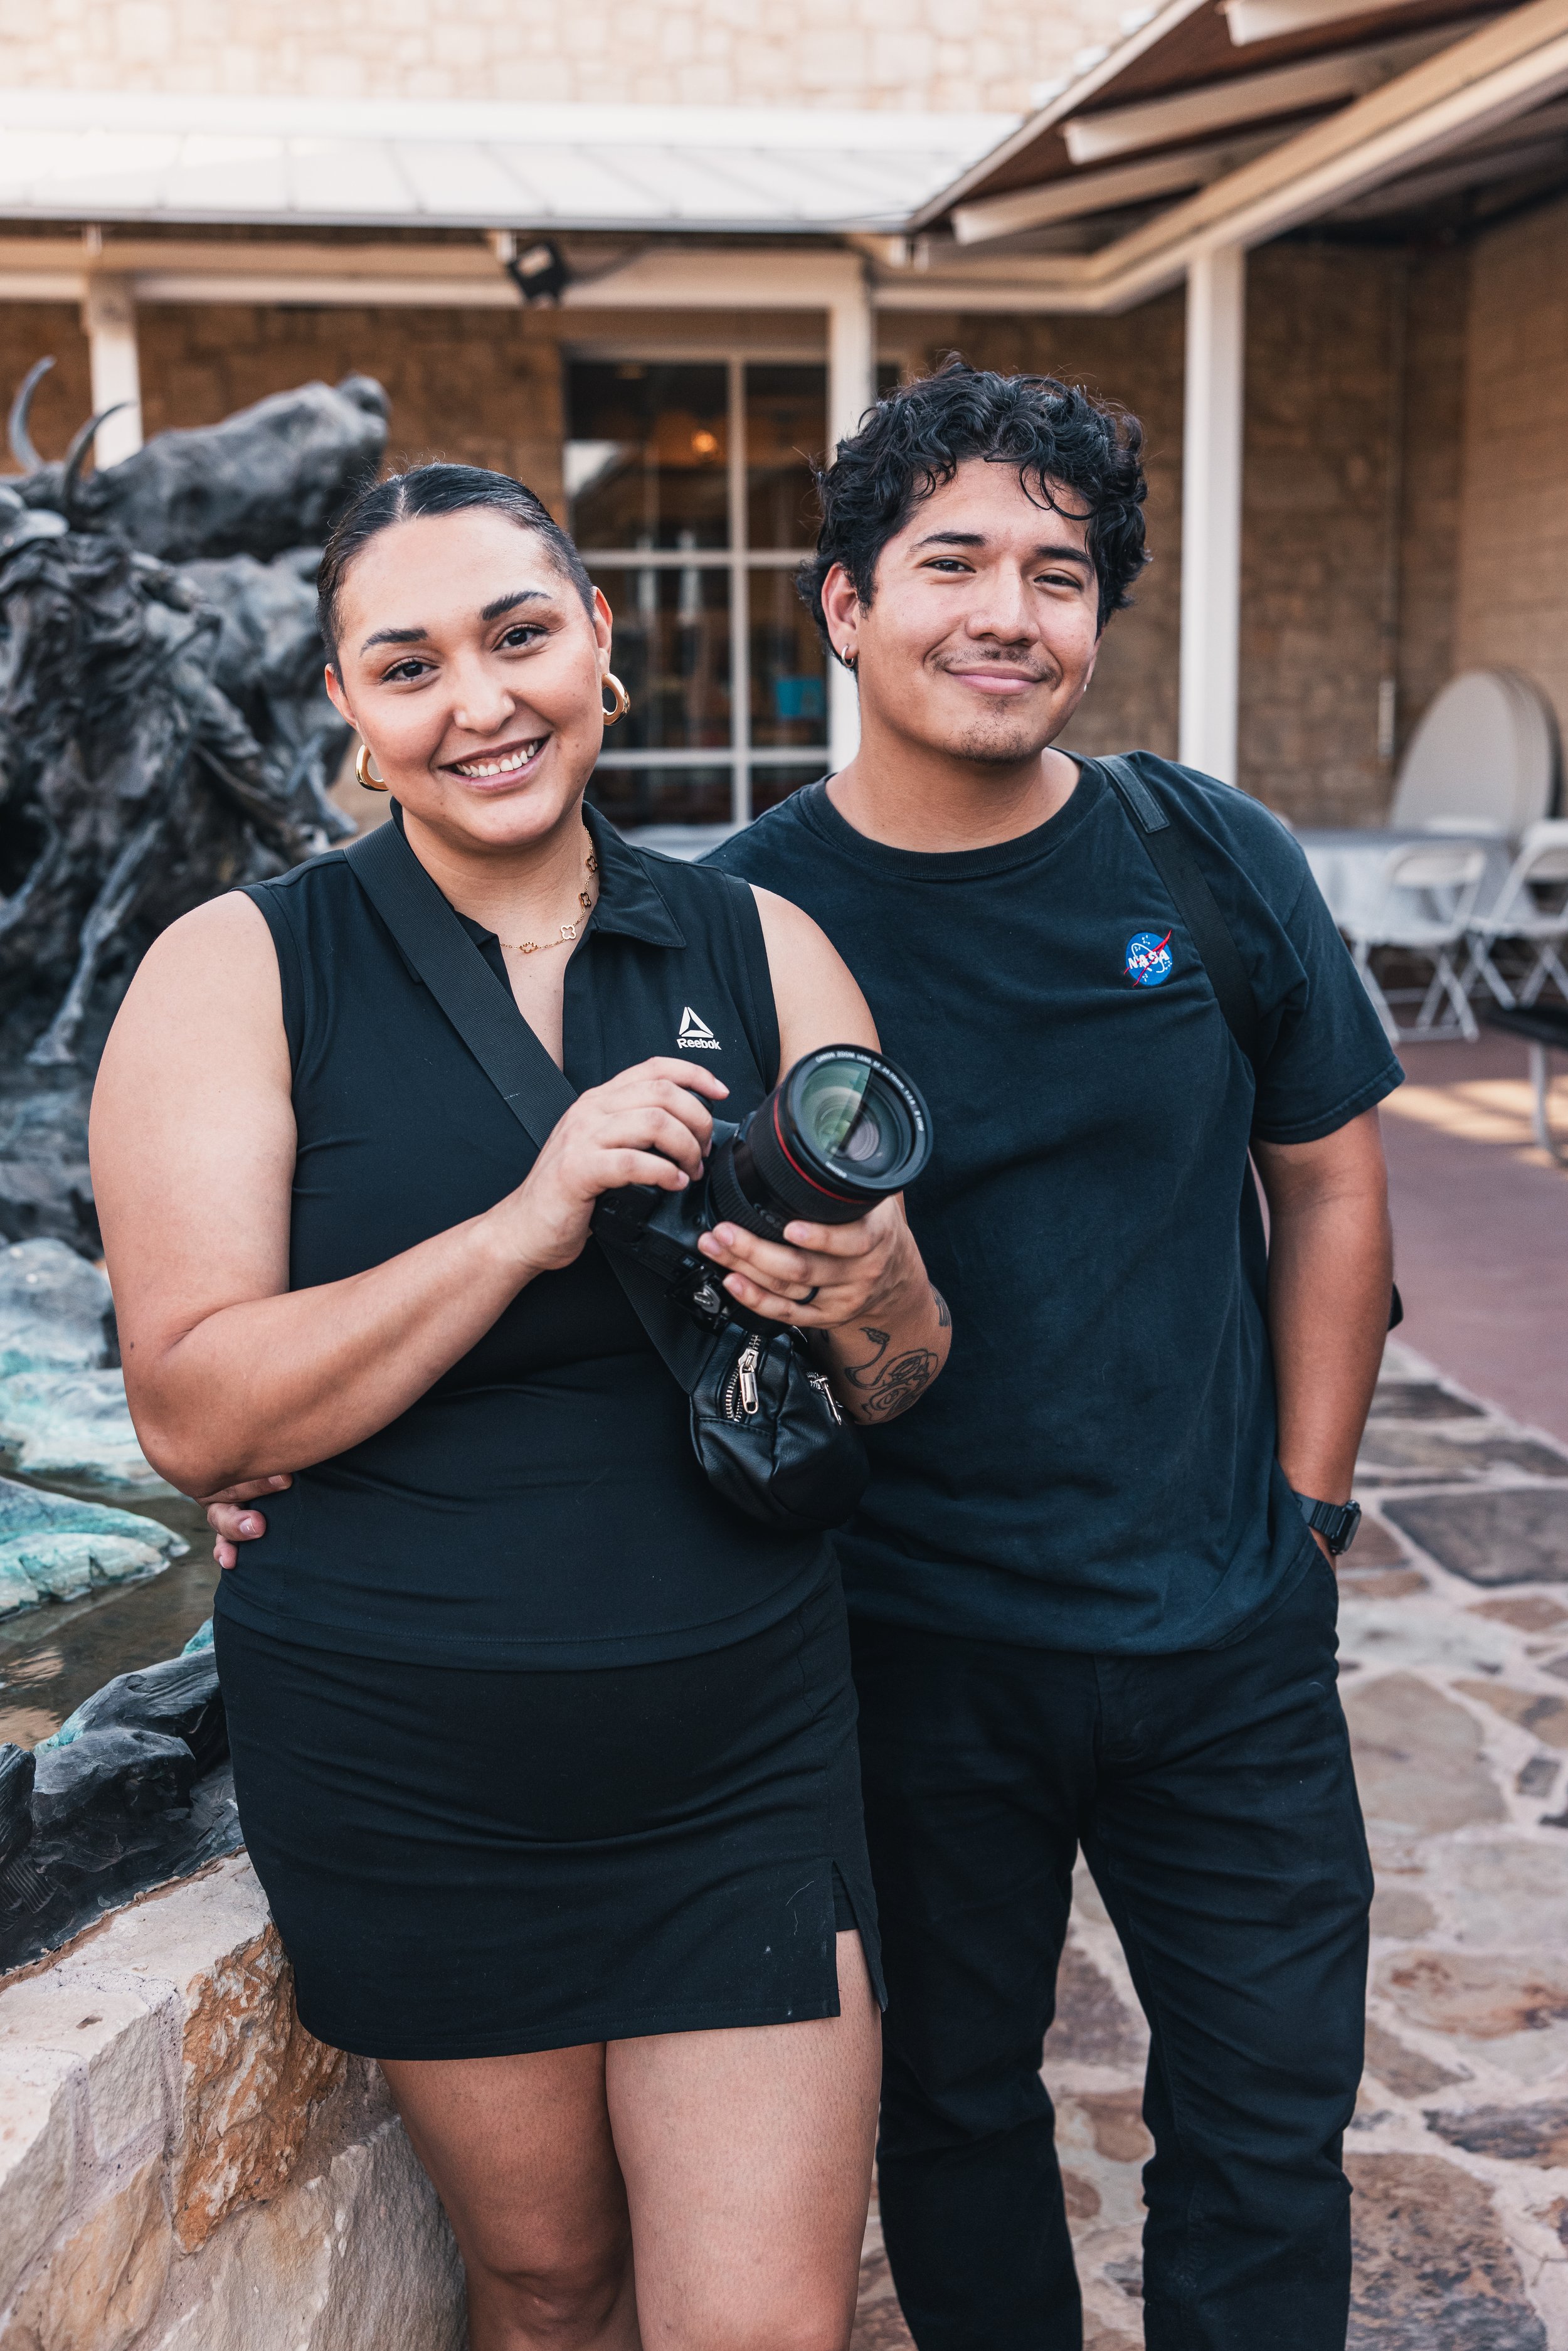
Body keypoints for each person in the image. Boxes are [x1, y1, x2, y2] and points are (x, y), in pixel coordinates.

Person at [91, 461, 950, 2351]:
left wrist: (873, 1289)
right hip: (411, 1763)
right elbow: (191, 1411)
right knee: (550, 2283)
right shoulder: (240, 970)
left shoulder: (761, 947)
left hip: (738, 1742)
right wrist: (521, 1221)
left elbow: (895, 1374)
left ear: (598, 649)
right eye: (409, 663)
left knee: (761, 2326)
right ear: (347, 707)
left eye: (517, 634)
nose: (477, 700)